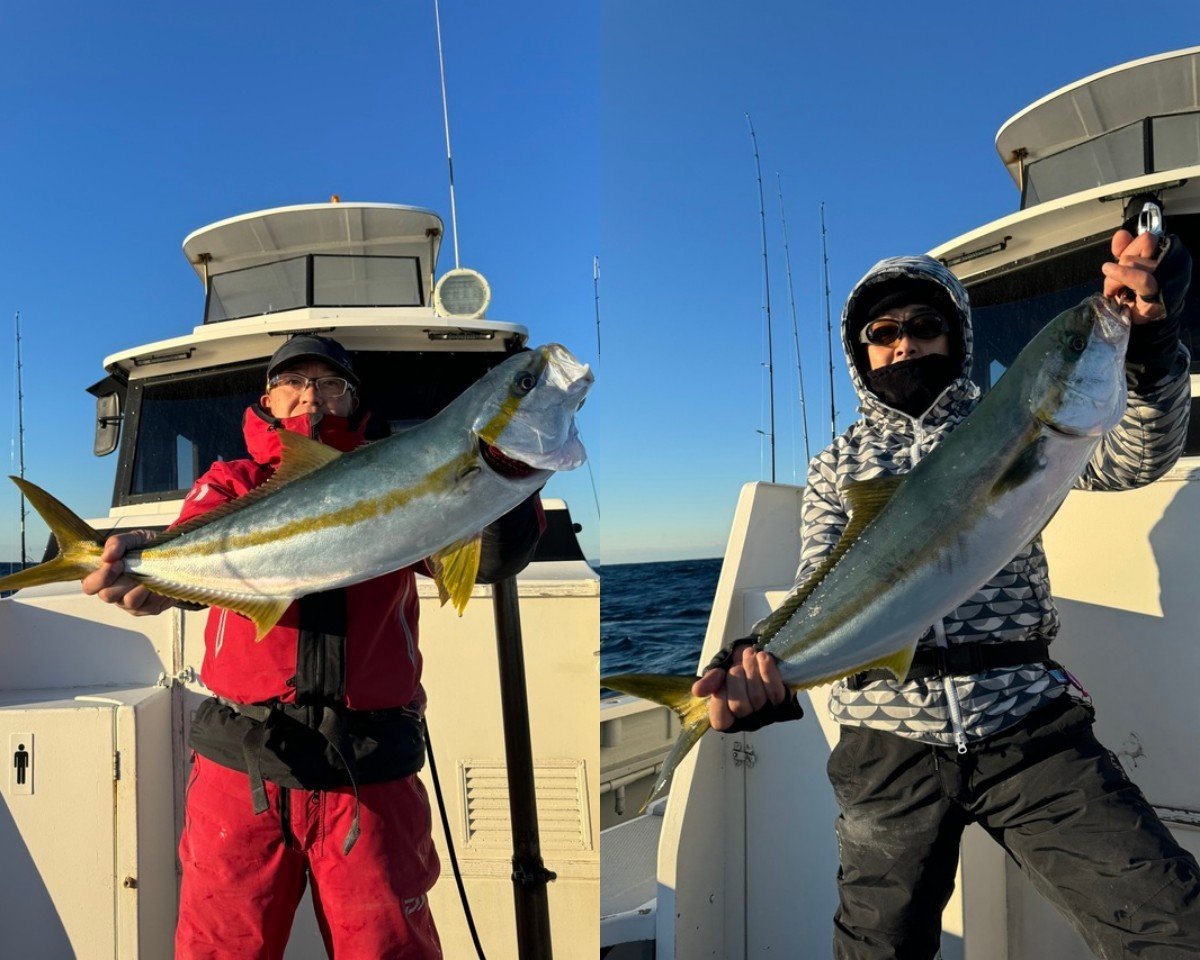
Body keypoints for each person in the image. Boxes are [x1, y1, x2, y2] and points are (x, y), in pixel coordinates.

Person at [694, 227, 1200, 958]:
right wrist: (760, 662)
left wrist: (1149, 349)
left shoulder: (1015, 417)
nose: (904, 346)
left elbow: (1134, 457)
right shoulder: (838, 463)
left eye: (925, 327)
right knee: (878, 950)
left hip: (1027, 723)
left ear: (957, 337)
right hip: (884, 740)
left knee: (1175, 927)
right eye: (884, 332)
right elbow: (819, 584)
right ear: (860, 350)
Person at [82, 334, 544, 960]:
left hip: (370, 764)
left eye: (329, 384)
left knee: (388, 949)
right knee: (222, 949)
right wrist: (153, 578)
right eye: (293, 382)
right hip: (242, 760)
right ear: (266, 399)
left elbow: (488, 558)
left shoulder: (407, 474)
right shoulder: (231, 482)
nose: (311, 397)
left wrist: (500, 485)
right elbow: (187, 553)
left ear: (353, 400)